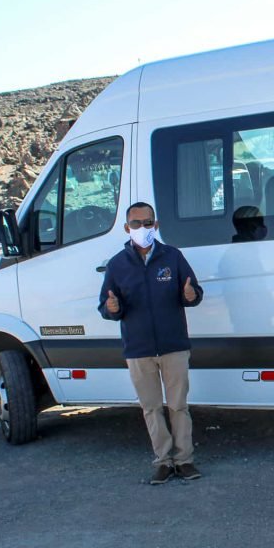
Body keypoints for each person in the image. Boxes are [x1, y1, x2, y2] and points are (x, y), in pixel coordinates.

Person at [98, 202, 204, 484]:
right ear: (126, 228)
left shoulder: (173, 257)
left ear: (155, 226)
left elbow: (193, 293)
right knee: (151, 408)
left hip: (174, 346)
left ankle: (185, 461)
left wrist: (191, 295)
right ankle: (163, 462)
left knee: (178, 406)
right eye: (136, 224)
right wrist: (112, 307)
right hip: (139, 349)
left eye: (147, 223)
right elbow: (107, 308)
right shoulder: (117, 265)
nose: (142, 228)